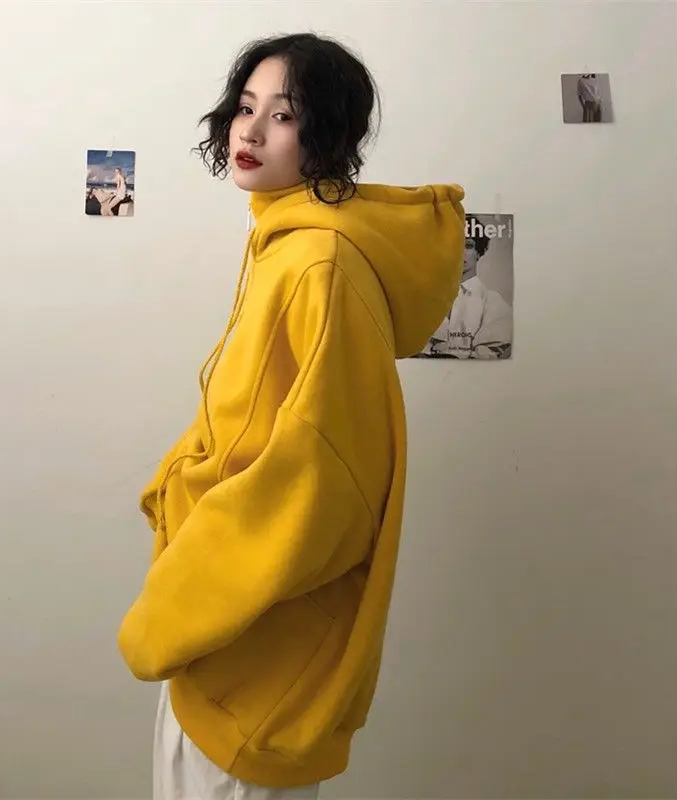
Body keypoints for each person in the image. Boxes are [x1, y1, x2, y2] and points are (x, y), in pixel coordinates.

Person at [117, 32, 465, 799]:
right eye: (246, 108)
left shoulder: (318, 264)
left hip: (256, 655)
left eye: (284, 115)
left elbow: (318, 484)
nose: (250, 131)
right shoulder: (285, 245)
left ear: (328, 136)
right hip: (227, 647)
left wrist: (173, 608)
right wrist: (173, 491)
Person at [423, 214, 512, 359]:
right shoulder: (426, 298)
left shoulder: (493, 302)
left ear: (479, 251)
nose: (460, 252)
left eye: (468, 246)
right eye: (454, 244)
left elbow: (486, 355)